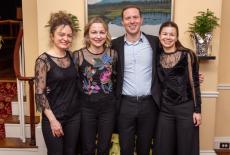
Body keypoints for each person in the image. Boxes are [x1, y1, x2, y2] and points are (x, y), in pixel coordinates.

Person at [111, 5, 161, 155]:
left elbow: (173, 58)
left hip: (149, 104)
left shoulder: (155, 42)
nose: (132, 21)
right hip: (125, 104)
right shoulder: (114, 45)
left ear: (141, 20)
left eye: (135, 17)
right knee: (125, 147)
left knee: (144, 147)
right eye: (128, 18)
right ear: (122, 22)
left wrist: (192, 74)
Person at [34, 11, 81, 155]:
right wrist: (53, 121)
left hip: (74, 116)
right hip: (53, 117)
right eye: (61, 34)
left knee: (71, 152)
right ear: (52, 36)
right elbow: (40, 93)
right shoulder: (43, 61)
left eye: (69, 35)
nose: (65, 38)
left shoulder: (73, 57)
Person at [154, 21, 202, 155]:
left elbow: (194, 83)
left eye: (172, 35)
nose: (168, 37)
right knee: (163, 148)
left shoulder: (188, 54)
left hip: (185, 108)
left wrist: (197, 110)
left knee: (186, 148)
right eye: (164, 34)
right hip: (165, 110)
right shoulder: (156, 57)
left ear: (176, 37)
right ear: (159, 35)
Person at [73, 17, 117, 155]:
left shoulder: (112, 54)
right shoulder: (78, 55)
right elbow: (73, 83)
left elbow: (116, 79)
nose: (98, 36)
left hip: (108, 109)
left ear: (106, 34)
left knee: (104, 148)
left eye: (101, 32)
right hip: (86, 109)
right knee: (87, 148)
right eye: (94, 32)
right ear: (87, 35)